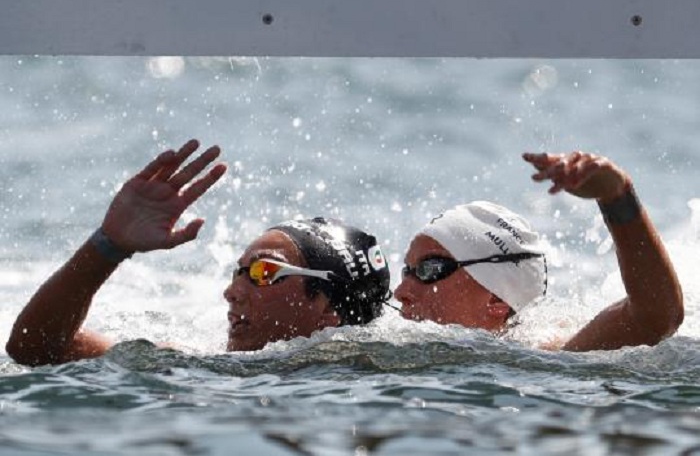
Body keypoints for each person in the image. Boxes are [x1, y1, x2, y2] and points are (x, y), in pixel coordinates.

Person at [6, 139, 391, 366]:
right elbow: (34, 347)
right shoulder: (193, 365)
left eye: (262, 273)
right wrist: (108, 246)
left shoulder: (377, 374)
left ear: (327, 307)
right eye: (237, 273)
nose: (232, 292)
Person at [395, 151, 684, 352]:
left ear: (496, 298)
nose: (401, 292)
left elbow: (657, 316)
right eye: (406, 271)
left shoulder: (551, 351)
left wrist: (616, 198)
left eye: (428, 269)